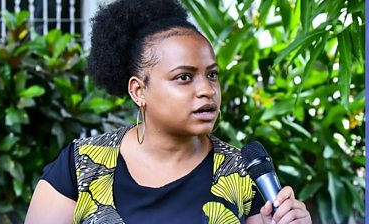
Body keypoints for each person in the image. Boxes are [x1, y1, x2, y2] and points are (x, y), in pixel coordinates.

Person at [25, 0, 312, 223]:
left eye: (211, 75)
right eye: (184, 77)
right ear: (138, 91)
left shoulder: (241, 174)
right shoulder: (81, 165)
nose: (207, 90)